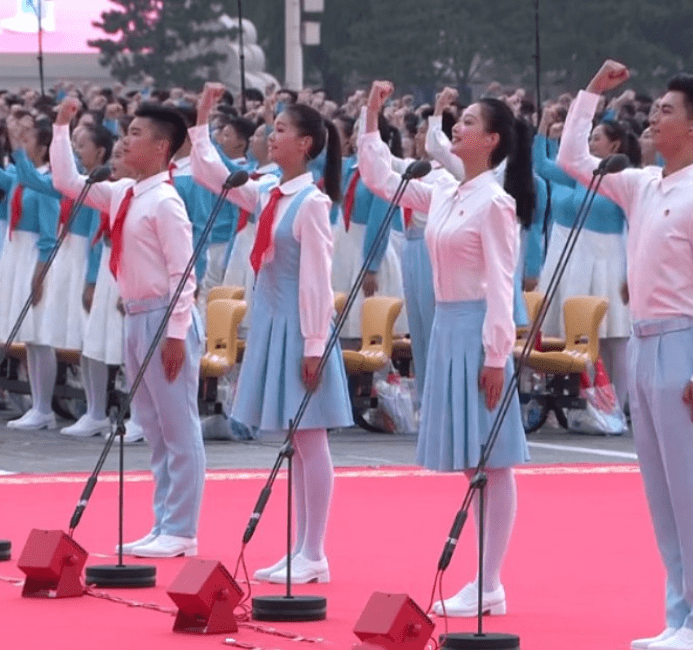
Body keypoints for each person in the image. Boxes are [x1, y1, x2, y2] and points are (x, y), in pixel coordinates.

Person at [359, 80, 531, 617]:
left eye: (471, 122)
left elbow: (502, 284)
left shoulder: (496, 203)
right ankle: (485, 578)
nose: (459, 126)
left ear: (493, 140)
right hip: (447, 328)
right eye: (461, 120)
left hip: (479, 329)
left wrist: (497, 356)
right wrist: (370, 115)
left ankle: (490, 580)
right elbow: (378, 176)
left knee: (491, 460)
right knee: (469, 461)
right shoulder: (442, 190)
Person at [190, 83, 352, 584]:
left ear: (305, 143)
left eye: (281, 129)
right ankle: (302, 547)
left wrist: (312, 345)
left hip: (299, 327)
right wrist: (200, 122)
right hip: (271, 321)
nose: (270, 135)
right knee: (294, 442)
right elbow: (213, 173)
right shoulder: (268, 190)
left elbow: (316, 282)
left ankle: (315, 549)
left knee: (310, 438)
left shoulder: (310, 203)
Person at [557, 59, 693, 650]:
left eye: (666, 111)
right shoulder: (642, 184)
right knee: (662, 493)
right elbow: (572, 160)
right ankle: (678, 615)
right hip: (643, 345)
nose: (652, 118)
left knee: (690, 490)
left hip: (685, 344)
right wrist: (590, 94)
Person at [50, 98, 205, 559]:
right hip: (137, 315)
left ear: (161, 147)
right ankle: (164, 522)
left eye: (135, 134)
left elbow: (185, 273)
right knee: (154, 428)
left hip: (164, 318)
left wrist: (176, 333)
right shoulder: (124, 193)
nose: (125, 140)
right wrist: (61, 128)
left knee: (179, 427)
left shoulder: (166, 202)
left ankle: (182, 527)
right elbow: (67, 183)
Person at [11, 124, 114, 437]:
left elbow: (97, 237)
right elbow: (33, 181)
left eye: (82, 145)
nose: (76, 150)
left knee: (90, 342)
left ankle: (98, 411)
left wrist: (93, 280)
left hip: (84, 260)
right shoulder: (77, 182)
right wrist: (17, 148)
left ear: (100, 151)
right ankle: (86, 411)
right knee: (79, 339)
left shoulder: (102, 185)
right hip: (69, 259)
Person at [534, 106, 636, 410]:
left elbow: (635, 226)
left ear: (614, 144)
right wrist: (543, 125)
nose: (590, 143)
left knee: (616, 336)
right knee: (588, 336)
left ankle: (625, 401)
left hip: (611, 259)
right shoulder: (580, 174)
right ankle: (596, 399)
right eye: (589, 138)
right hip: (583, 259)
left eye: (596, 138)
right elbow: (542, 165)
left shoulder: (626, 179)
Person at [0, 115, 60, 430]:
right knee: (31, 339)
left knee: (40, 336)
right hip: (18, 254)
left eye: (28, 138)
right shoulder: (22, 176)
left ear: (43, 145)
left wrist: (40, 274)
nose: (22, 142)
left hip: (36, 257)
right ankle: (38, 405)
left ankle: (44, 406)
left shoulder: (49, 180)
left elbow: (50, 236)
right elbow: (7, 178)